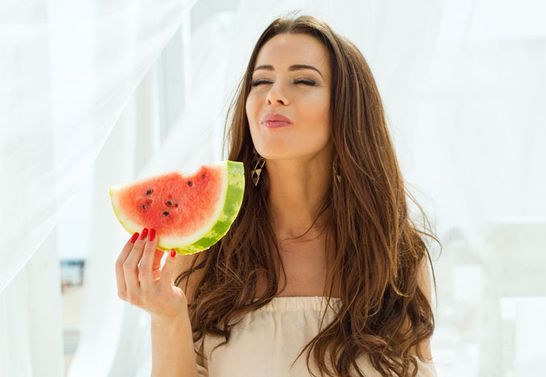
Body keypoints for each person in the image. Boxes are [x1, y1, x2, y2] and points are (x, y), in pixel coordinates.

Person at [115, 14, 439, 377]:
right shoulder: (205, 256)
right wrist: (167, 317)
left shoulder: (397, 255)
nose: (274, 95)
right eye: (261, 80)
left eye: (303, 80)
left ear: (348, 109)